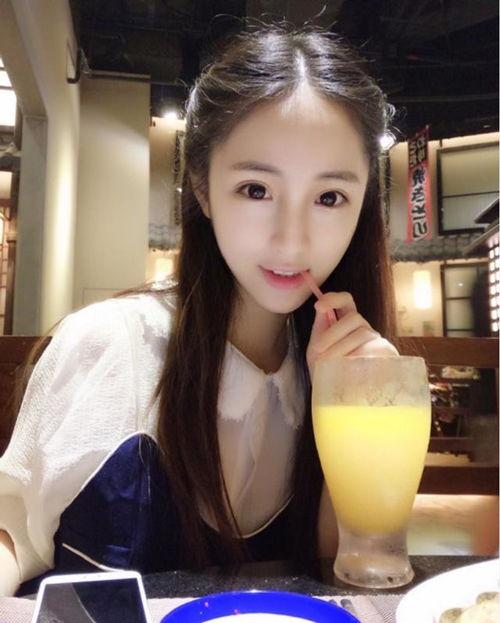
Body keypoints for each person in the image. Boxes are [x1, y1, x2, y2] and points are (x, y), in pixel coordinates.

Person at [0, 23, 398, 597]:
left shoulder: (332, 365)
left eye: (329, 197)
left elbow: (343, 577)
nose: (292, 240)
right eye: (256, 189)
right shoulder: (112, 347)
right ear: (203, 188)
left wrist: (348, 406)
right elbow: (12, 535)